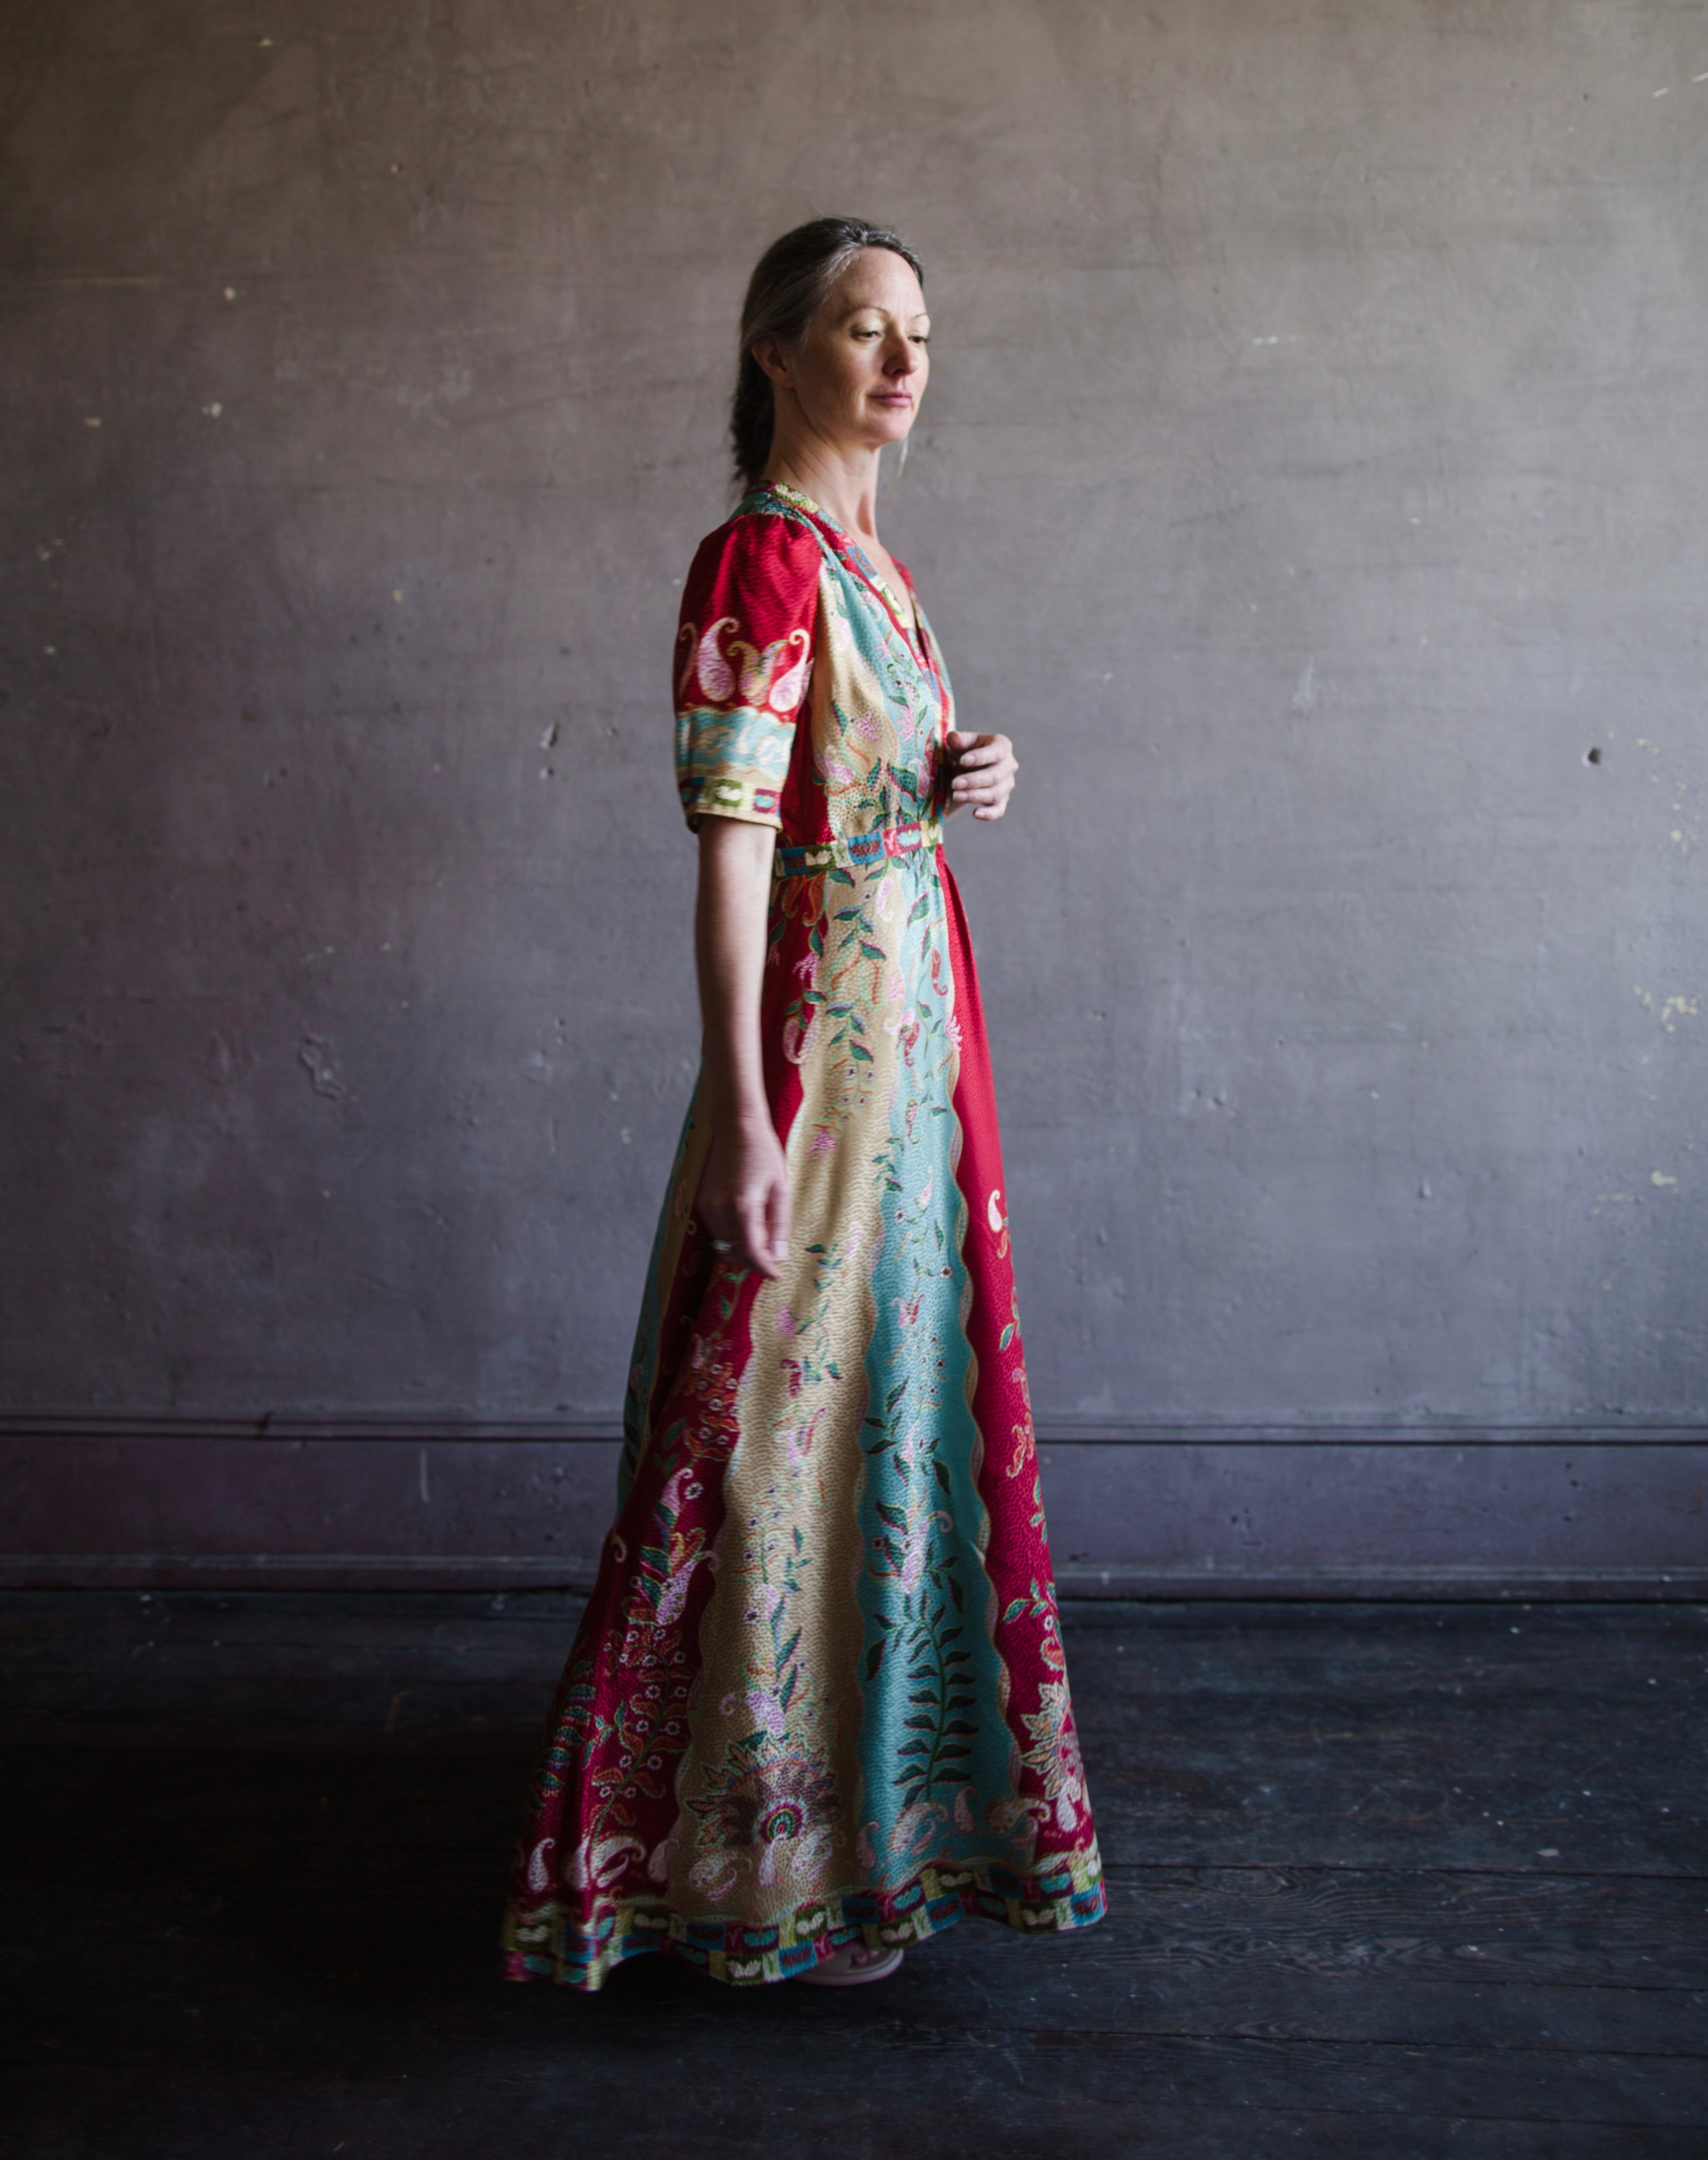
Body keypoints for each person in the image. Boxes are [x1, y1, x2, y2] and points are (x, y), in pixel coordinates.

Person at [503, 217, 1105, 1991]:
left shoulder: (879, 571)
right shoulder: (755, 566)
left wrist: (959, 773)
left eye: (917, 330)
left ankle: (866, 1837)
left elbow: (870, 791)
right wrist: (747, 1122)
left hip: (918, 1071)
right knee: (765, 1442)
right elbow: (735, 858)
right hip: (821, 1074)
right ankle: (730, 1857)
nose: (903, 361)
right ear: (778, 355)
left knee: (884, 1436)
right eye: (863, 329)